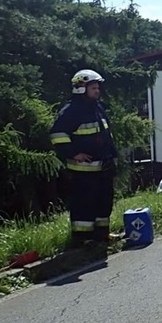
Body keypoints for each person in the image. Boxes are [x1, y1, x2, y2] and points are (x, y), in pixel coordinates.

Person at [49, 69, 118, 248]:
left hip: (103, 167)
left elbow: (106, 135)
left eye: (97, 87)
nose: (97, 90)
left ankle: (102, 235)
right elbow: (57, 134)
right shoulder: (72, 111)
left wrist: (113, 156)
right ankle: (83, 240)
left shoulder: (97, 108)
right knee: (84, 204)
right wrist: (73, 153)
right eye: (93, 87)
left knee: (104, 202)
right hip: (83, 171)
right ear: (81, 88)